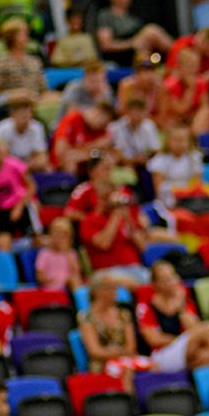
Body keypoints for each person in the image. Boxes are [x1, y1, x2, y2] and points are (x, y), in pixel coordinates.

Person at [136, 261, 209, 372]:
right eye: (166, 280)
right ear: (156, 284)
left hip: (183, 349)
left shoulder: (183, 300)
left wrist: (181, 308)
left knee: (207, 356)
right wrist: (180, 340)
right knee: (208, 330)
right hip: (161, 354)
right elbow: (153, 339)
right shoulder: (146, 305)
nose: (171, 282)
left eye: (173, 276)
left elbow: (194, 328)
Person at [75, 155, 153, 285]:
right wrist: (115, 217)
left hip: (134, 268)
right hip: (107, 272)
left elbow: (143, 247)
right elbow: (104, 243)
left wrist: (128, 221)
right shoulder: (89, 221)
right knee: (136, 283)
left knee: (160, 277)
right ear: (101, 199)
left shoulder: (123, 218)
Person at [78, 277, 149, 387]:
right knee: (126, 370)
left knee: (156, 366)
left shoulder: (124, 314)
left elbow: (131, 347)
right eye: (109, 288)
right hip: (101, 362)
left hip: (126, 357)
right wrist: (119, 353)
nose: (114, 292)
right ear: (97, 291)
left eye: (115, 288)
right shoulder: (86, 317)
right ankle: (128, 397)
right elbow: (95, 351)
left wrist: (118, 353)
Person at [95, 0, 174, 67]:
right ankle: (178, 51)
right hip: (121, 57)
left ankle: (164, 62)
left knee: (156, 57)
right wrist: (132, 43)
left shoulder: (134, 19)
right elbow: (106, 46)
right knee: (151, 31)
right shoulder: (105, 15)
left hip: (144, 57)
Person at [0, 18, 51, 101]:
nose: (27, 36)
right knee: (24, 95)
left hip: (37, 98)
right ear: (11, 37)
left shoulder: (35, 61)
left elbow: (44, 89)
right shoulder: (1, 63)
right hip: (14, 101)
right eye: (23, 33)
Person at [157, 47, 209, 137]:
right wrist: (190, 89)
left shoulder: (200, 82)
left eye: (195, 66)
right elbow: (180, 110)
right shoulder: (171, 84)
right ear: (180, 67)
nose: (193, 70)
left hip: (190, 120)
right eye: (189, 66)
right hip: (171, 120)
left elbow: (204, 105)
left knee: (207, 111)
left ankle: (196, 137)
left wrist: (195, 117)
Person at [50, 101, 114, 176]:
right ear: (96, 112)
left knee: (107, 161)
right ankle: (70, 182)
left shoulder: (102, 130)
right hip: (61, 165)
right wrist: (94, 146)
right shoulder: (73, 119)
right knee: (71, 162)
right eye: (101, 122)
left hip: (87, 166)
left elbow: (104, 152)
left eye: (105, 124)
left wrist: (85, 154)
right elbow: (61, 152)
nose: (103, 126)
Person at [0, 92, 50, 172]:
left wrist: (24, 167)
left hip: (29, 169)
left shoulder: (37, 127)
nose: (25, 114)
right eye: (20, 111)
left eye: (28, 111)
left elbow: (42, 158)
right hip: (8, 170)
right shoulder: (2, 129)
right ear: (12, 114)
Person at [109, 96, 162, 171]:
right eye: (134, 110)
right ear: (127, 112)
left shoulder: (149, 125)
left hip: (144, 164)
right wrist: (133, 161)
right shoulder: (117, 127)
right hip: (124, 164)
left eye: (140, 111)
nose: (137, 114)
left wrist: (146, 158)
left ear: (146, 112)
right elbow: (117, 153)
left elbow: (156, 150)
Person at [35, 217, 84, 292]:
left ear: (69, 239)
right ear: (50, 235)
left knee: (76, 281)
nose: (59, 240)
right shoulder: (45, 253)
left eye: (63, 237)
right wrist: (49, 280)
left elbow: (77, 273)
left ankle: (81, 297)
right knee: (74, 282)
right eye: (56, 236)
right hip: (52, 285)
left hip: (69, 284)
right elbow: (40, 276)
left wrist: (67, 253)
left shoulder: (71, 253)